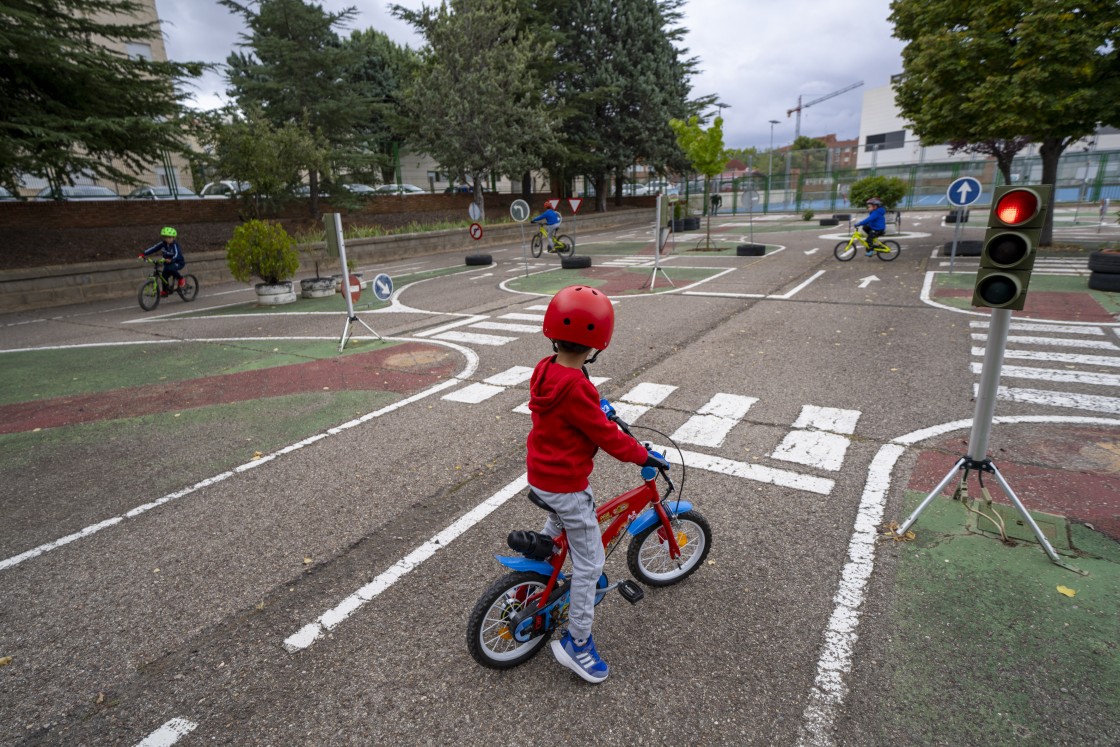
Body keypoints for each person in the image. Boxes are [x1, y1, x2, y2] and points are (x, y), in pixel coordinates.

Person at [526, 285, 668, 684]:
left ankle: (536, 574)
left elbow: (580, 408)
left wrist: (597, 407)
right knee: (590, 563)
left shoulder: (545, 369)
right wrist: (644, 455)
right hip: (566, 483)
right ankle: (578, 642)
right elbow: (609, 439)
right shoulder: (578, 388)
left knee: (560, 524)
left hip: (539, 474)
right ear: (598, 343)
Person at [139, 227, 186, 294]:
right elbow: (154, 248)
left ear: (173, 238)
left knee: (171, 268)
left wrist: (171, 260)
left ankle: (181, 279)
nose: (167, 239)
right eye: (166, 237)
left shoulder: (175, 245)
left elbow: (177, 254)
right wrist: (143, 254)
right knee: (164, 275)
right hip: (167, 262)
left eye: (169, 238)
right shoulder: (163, 244)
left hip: (178, 262)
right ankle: (165, 291)